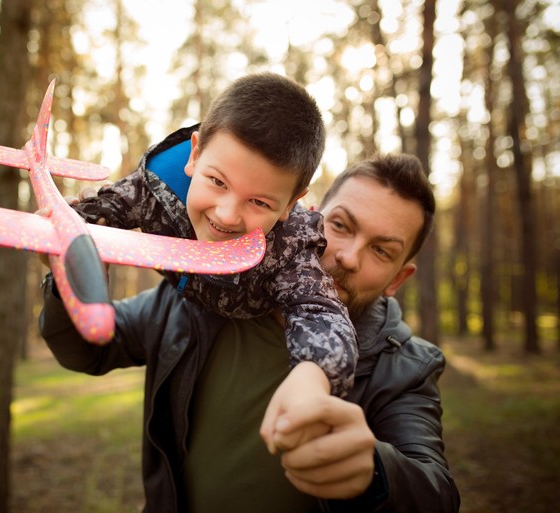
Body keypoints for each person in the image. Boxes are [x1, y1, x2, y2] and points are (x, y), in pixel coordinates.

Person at [39, 153, 460, 512]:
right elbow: (88, 351)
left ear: (397, 278)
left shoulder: (406, 367)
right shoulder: (204, 297)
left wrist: (376, 473)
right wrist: (68, 281)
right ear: (308, 217)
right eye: (342, 226)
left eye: (381, 250)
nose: (348, 257)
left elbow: (435, 491)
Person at [69, 72, 357, 400]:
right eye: (218, 182)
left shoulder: (291, 247)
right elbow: (83, 220)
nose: (227, 215)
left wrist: (313, 379)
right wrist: (68, 225)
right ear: (194, 155)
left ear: (290, 203)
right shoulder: (152, 191)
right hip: (181, 313)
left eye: (260, 202)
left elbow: (322, 314)